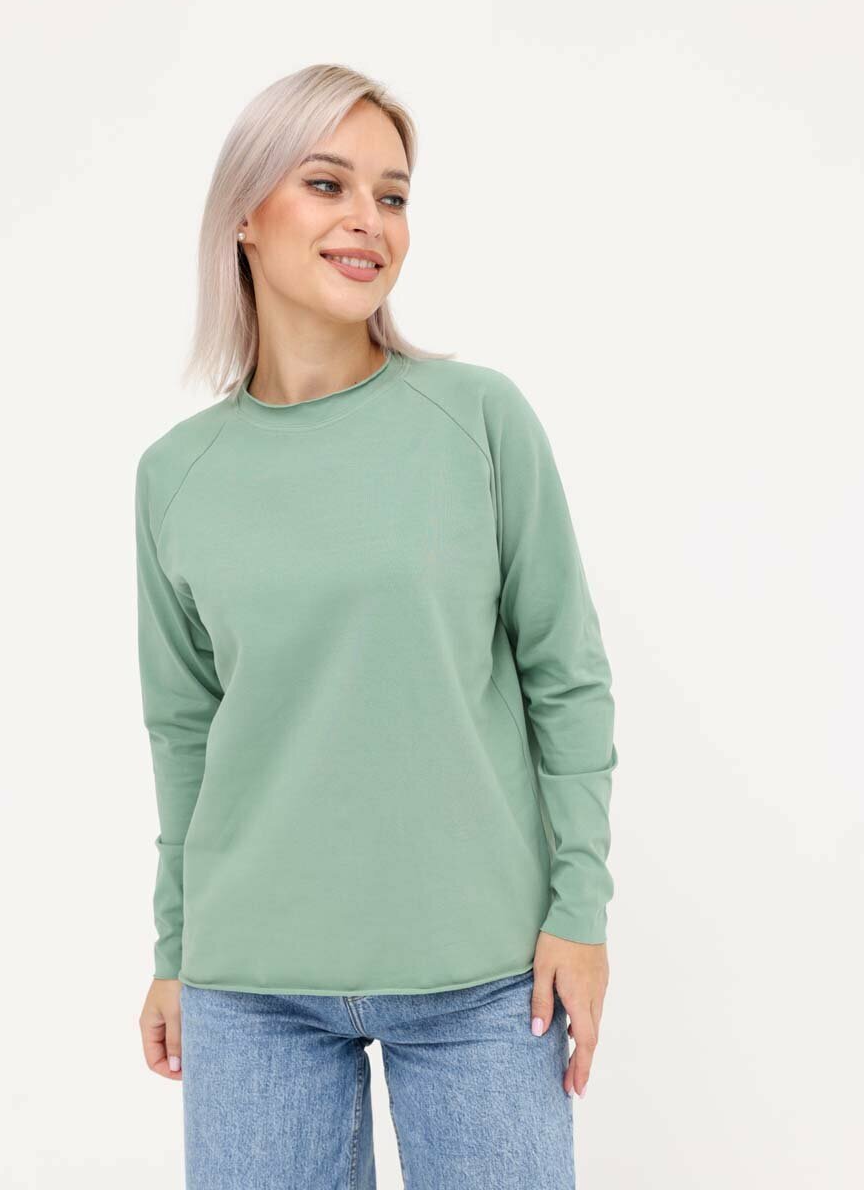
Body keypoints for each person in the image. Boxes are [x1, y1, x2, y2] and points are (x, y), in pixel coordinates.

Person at [135, 62, 618, 1189]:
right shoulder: (176, 475)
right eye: (328, 184)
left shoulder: (477, 418)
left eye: (392, 195)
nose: (369, 220)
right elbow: (185, 732)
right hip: (250, 987)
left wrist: (581, 913)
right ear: (245, 214)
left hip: (487, 979)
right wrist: (174, 951)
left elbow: (566, 675)